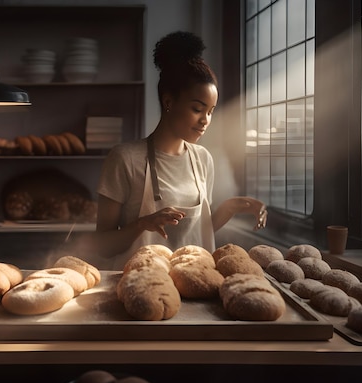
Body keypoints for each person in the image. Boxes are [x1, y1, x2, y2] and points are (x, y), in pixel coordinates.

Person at [93, 31, 267, 268]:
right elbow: (103, 245)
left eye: (211, 111)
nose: (205, 120)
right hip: (141, 283)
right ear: (169, 102)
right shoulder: (125, 159)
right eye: (197, 109)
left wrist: (228, 209)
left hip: (194, 281)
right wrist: (142, 224)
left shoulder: (203, 159)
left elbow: (193, 235)